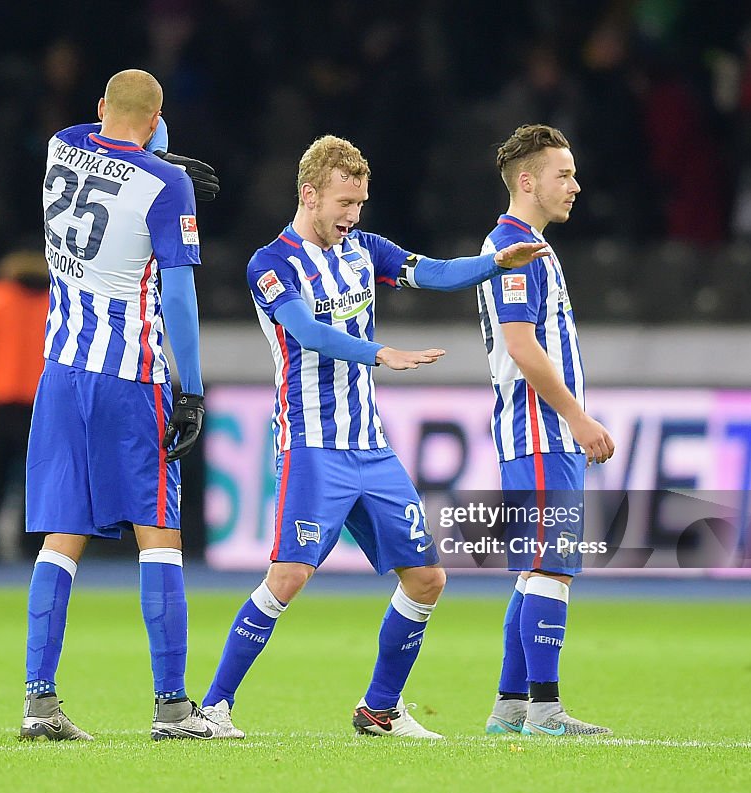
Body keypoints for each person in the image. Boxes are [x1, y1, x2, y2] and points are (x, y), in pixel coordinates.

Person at [199, 135, 548, 739]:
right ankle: (213, 709)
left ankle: (380, 709)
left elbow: (433, 273)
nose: (353, 216)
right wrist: (380, 352)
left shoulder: (365, 249)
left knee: (427, 579)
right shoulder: (271, 265)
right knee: (288, 578)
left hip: (373, 449)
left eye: (359, 203)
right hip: (314, 446)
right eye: (344, 203)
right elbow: (307, 332)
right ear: (309, 195)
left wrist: (493, 264)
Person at [18, 68, 231, 743]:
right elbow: (179, 299)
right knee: (158, 531)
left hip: (60, 371)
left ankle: (39, 702)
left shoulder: (59, 148)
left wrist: (147, 145)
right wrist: (189, 388)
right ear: (159, 116)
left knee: (61, 536)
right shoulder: (166, 186)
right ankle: (172, 706)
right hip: (129, 374)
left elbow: (101, 136)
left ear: (103, 106)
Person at [477, 124, 615, 737]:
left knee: (536, 569)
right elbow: (522, 347)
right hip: (541, 432)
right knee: (551, 567)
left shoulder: (528, 245)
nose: (576, 186)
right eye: (564, 175)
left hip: (539, 434)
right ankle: (546, 711)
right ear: (527, 182)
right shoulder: (515, 247)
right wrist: (578, 418)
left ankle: (512, 708)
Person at [0, 249, 49, 563]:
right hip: (39, 399)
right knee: (35, 477)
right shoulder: (55, 300)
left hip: (0, 397)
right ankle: (29, 542)